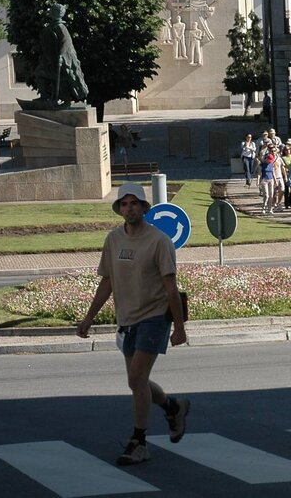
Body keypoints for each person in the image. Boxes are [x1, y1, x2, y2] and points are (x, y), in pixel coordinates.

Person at [77, 183, 189, 466]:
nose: (129, 209)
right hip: (127, 318)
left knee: (136, 378)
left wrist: (179, 326)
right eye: (124, 204)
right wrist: (89, 317)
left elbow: (171, 287)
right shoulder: (113, 239)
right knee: (136, 381)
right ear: (120, 209)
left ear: (144, 207)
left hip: (154, 316)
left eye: (134, 204)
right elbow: (107, 282)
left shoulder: (159, 241)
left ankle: (139, 442)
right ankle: (173, 407)